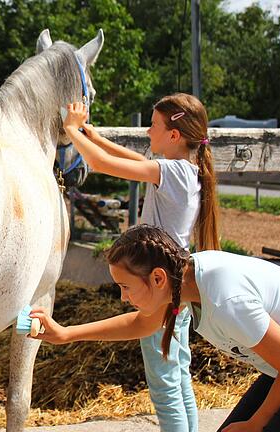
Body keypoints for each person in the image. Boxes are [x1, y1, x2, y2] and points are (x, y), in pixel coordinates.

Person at [31, 224, 280, 432]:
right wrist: (66, 334)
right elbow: (141, 323)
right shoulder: (183, 281)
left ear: (157, 277)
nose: (122, 297)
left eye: (125, 287)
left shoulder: (226, 301)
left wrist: (257, 423)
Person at [62, 93, 220, 432]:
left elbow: (104, 165)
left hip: (158, 288)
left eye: (153, 126)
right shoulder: (188, 170)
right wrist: (94, 136)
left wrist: (72, 130)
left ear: (174, 135)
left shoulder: (173, 172)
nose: (148, 132)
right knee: (178, 378)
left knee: (164, 390)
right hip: (178, 285)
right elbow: (133, 160)